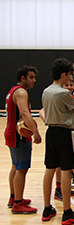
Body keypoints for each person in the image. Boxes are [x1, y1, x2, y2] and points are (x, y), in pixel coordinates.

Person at [41, 58, 74, 225]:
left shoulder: (46, 91)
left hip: (50, 132)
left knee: (50, 169)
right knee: (67, 170)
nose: (71, 78)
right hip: (64, 133)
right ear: (63, 74)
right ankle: (67, 211)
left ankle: (47, 208)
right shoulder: (63, 93)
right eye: (69, 74)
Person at [4, 66, 42, 214]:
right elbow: (25, 114)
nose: (34, 80)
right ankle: (18, 204)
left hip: (11, 132)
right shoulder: (21, 92)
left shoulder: (13, 90)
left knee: (15, 166)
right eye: (31, 77)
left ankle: (13, 197)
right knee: (21, 169)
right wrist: (35, 132)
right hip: (19, 135)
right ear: (23, 78)